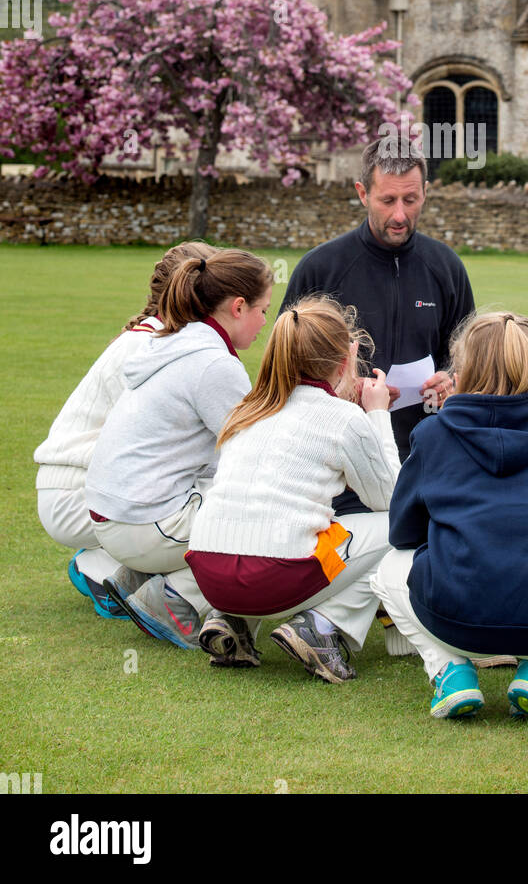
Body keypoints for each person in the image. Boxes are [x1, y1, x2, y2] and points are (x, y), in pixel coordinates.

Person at [370, 310, 528, 721]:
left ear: (463, 366)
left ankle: (450, 672)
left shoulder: (432, 433)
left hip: (453, 619)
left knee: (387, 567)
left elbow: (403, 533)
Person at [280, 137, 475, 655]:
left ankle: (389, 618)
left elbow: (468, 355)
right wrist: (344, 393)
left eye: (411, 199)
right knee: (357, 536)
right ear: (362, 192)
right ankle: (333, 615)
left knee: (420, 531)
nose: (399, 213)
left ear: (426, 193)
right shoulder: (321, 269)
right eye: (388, 200)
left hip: (423, 443)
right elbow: (285, 360)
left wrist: (454, 377)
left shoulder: (446, 267)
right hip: (333, 445)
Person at [185, 297, 400, 682]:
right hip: (274, 575)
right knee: (395, 527)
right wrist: (378, 414)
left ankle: (234, 622)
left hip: (208, 573)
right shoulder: (344, 418)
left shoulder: (247, 408)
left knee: (284, 523)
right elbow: (391, 499)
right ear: (343, 359)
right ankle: (322, 626)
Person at [84, 249, 273, 649]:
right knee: (266, 515)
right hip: (141, 523)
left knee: (231, 492)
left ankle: (136, 577)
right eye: (263, 311)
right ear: (238, 307)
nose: (264, 324)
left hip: (114, 518)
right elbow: (254, 455)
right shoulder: (214, 364)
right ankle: (176, 599)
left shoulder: (175, 341)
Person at [34, 241, 220, 620]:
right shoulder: (152, 347)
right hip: (77, 493)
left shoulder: (156, 340)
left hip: (72, 489)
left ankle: (103, 566)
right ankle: (122, 577)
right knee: (219, 508)